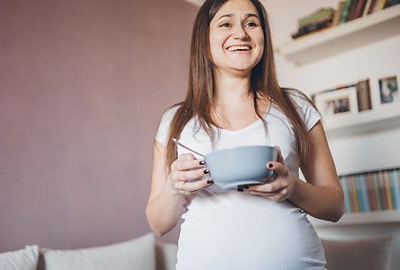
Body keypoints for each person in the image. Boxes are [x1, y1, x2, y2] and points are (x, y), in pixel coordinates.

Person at [146, 0, 344, 269]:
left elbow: (334, 206)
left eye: (251, 23)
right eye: (225, 23)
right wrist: (173, 186)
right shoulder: (175, 121)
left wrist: (292, 187)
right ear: (204, 41)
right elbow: (158, 224)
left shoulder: (296, 106)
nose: (240, 33)